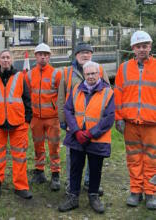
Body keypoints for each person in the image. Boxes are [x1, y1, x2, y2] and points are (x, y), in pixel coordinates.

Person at [58, 61, 114, 213]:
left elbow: (109, 118)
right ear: (84, 74)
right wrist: (76, 131)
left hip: (97, 138)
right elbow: (68, 109)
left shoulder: (108, 92)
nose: (90, 76)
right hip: (77, 137)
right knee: (75, 168)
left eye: (93, 73)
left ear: (99, 74)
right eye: (88, 74)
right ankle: (73, 197)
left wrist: (90, 133)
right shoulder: (77, 88)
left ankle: (93, 196)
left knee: (95, 169)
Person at [114, 30, 156, 210]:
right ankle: (135, 191)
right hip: (130, 123)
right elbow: (118, 95)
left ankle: (151, 193)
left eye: (145, 46)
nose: (142, 49)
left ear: (150, 47)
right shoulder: (123, 68)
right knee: (133, 159)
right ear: (133, 48)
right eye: (138, 46)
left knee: (152, 159)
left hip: (152, 125)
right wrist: (118, 118)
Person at [0, 50, 32, 201]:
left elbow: (26, 99)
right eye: (3, 58)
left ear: (12, 59)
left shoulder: (19, 76)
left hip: (18, 123)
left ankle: (21, 187)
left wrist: (27, 120)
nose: (5, 60)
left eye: (8, 57)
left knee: (19, 157)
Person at [25, 43, 62, 190]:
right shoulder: (29, 75)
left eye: (46, 54)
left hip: (52, 118)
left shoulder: (56, 74)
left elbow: (61, 96)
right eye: (40, 54)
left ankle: (55, 175)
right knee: (38, 146)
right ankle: (39, 172)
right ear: (36, 56)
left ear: (49, 56)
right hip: (36, 118)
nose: (43, 57)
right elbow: (26, 95)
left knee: (54, 147)